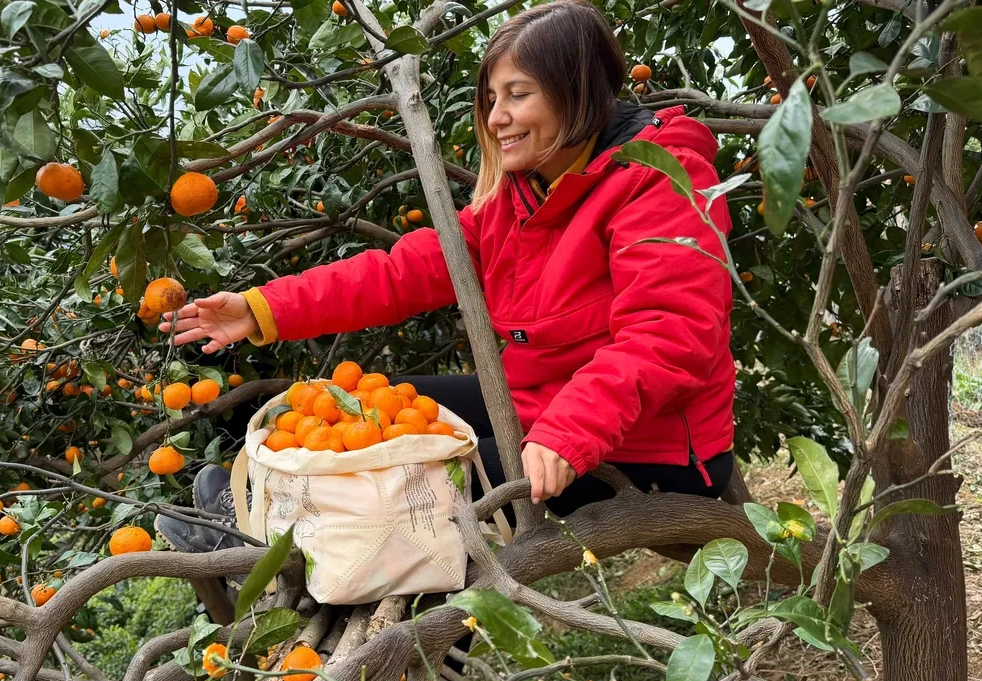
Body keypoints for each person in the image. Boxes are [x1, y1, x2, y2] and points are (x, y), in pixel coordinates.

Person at [156, 0, 735, 547]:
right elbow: (399, 272)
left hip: (649, 447)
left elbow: (668, 334)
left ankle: (288, 540)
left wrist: (570, 431)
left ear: (575, 92)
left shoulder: (660, 179)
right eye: (490, 99)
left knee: (419, 485)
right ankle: (263, 516)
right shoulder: (522, 194)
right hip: (537, 403)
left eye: (517, 95)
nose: (496, 118)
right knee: (364, 409)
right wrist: (263, 309)